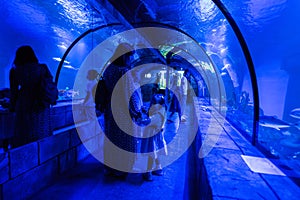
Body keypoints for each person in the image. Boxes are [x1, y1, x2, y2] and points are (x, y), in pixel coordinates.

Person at [102, 43, 142, 177]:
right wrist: (137, 110)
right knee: (125, 140)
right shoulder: (124, 72)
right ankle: (123, 168)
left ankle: (111, 167)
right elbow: (132, 95)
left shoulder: (108, 69)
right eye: (129, 57)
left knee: (112, 139)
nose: (130, 60)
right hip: (124, 113)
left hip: (110, 110)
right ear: (125, 56)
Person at [9, 45, 54, 147]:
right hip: (41, 103)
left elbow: (13, 92)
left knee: (24, 136)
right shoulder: (43, 68)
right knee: (42, 131)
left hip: (24, 104)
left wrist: (12, 107)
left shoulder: (15, 71)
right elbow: (50, 84)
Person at [141, 93, 167, 181]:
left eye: (154, 104)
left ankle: (148, 173)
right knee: (155, 153)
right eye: (151, 103)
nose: (151, 105)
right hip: (156, 136)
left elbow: (148, 121)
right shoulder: (161, 111)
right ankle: (158, 169)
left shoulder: (157, 116)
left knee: (151, 154)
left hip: (152, 137)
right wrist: (145, 111)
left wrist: (141, 118)